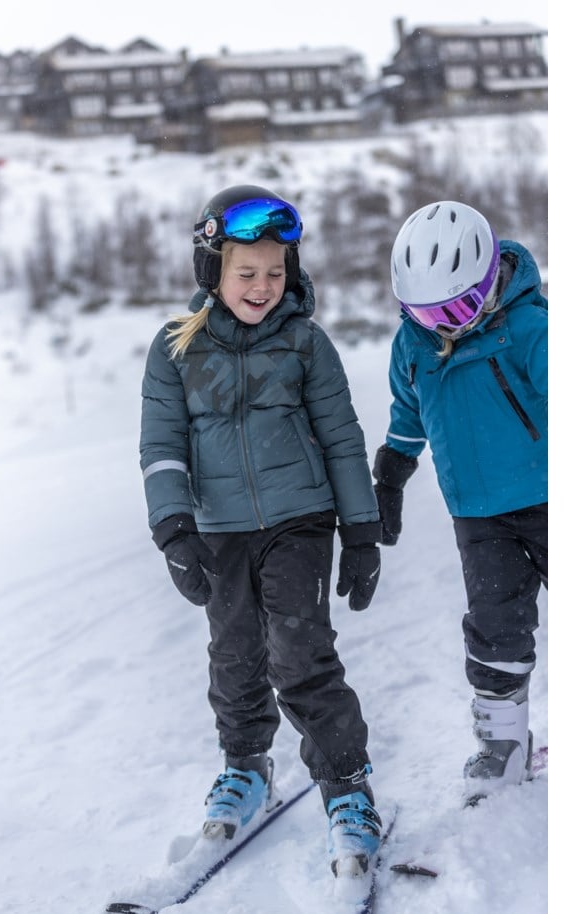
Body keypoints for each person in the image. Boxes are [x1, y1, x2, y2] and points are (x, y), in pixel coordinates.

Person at [140, 185, 383, 876]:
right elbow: (161, 443)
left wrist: (360, 531)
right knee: (235, 654)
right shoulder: (175, 349)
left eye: (276, 272)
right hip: (219, 530)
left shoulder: (306, 343)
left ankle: (347, 788)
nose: (263, 286)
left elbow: (341, 437)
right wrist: (173, 527)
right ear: (212, 269)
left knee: (301, 654)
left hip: (301, 519)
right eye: (247, 272)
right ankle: (246, 766)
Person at [372, 200, 547, 805]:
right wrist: (393, 468)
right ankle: (503, 744)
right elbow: (408, 407)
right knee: (494, 627)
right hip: (476, 513)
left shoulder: (530, 329)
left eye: (457, 308)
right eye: (425, 312)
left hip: (548, 496)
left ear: (489, 275)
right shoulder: (413, 343)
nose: (443, 325)